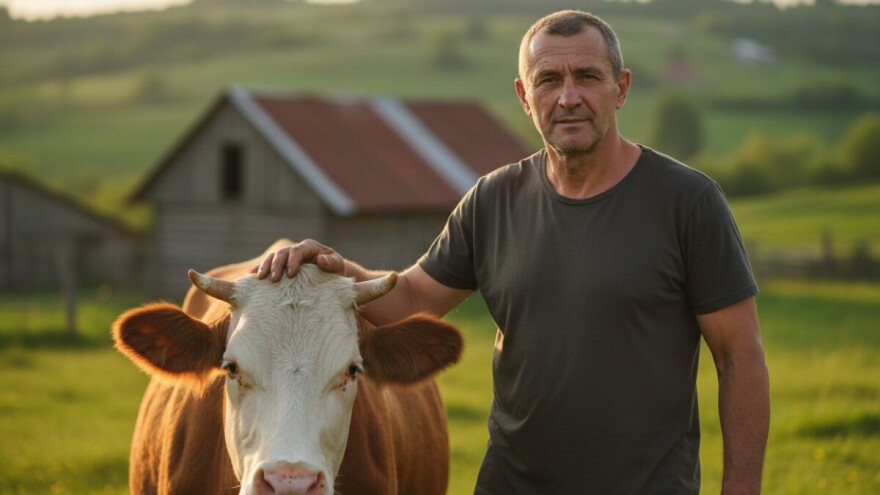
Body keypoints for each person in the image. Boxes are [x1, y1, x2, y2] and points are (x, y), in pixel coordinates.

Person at [255, 10, 770, 494]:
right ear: (524, 96)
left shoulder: (687, 202)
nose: (568, 97)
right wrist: (337, 269)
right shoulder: (493, 199)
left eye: (587, 77)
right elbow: (413, 297)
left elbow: (740, 357)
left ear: (621, 88)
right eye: (548, 80)